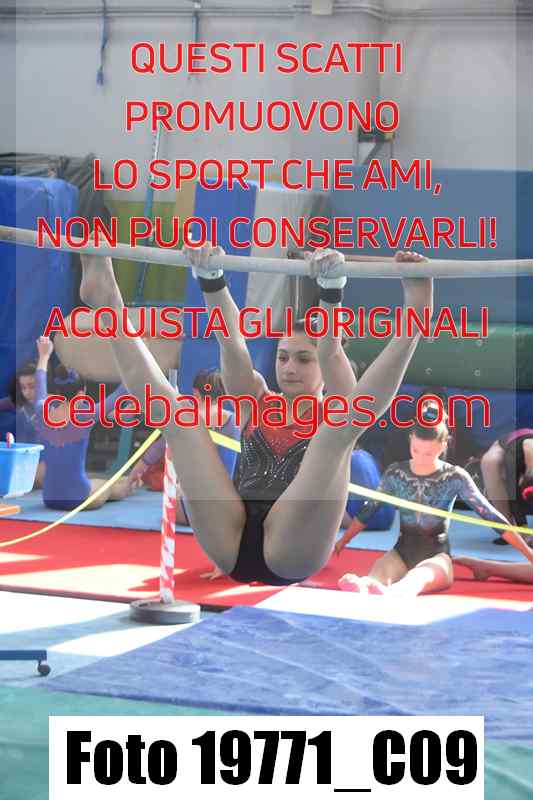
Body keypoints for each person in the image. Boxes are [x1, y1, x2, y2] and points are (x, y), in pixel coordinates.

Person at [78, 240, 433, 585]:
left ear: (322, 368)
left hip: (294, 550)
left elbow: (331, 351)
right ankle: (108, 301)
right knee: (181, 420)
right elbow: (232, 342)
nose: (290, 367)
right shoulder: (257, 400)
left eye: (303, 359)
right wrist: (211, 280)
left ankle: (416, 317)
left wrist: (331, 292)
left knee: (336, 429)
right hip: (231, 538)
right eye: (283, 357)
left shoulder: (335, 404)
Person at [334, 404, 530, 597]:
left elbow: (491, 516)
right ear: (410, 440)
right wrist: (344, 540)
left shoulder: (455, 477)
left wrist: (528, 553)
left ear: (443, 446)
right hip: (401, 552)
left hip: (437, 556)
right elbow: (370, 509)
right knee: (379, 572)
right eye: (415, 450)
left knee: (418, 577)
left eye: (428, 453)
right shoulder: (396, 472)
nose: (421, 459)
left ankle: (395, 591)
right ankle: (367, 584)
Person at [32, 336, 138, 510]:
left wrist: (44, 355)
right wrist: (134, 354)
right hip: (77, 498)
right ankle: (130, 485)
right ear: (81, 394)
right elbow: (121, 392)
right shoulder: (84, 416)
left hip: (49, 498)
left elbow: (39, 384)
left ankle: (124, 481)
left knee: (94, 480)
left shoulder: (41, 410)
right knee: (108, 486)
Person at [129, 367, 239, 526]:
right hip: (229, 509)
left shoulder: (191, 418)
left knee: (175, 493)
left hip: (199, 509)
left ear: (196, 395)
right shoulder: (235, 421)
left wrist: (136, 471)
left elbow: (159, 447)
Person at [477, 430, 533, 543]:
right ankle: (507, 530)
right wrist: (524, 529)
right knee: (490, 463)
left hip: (524, 447)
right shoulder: (512, 458)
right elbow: (514, 496)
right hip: (504, 447)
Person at [0, 356, 46, 487]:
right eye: (23, 387)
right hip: (23, 461)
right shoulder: (19, 402)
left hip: (46, 462)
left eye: (32, 387)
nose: (27, 392)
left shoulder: (52, 404)